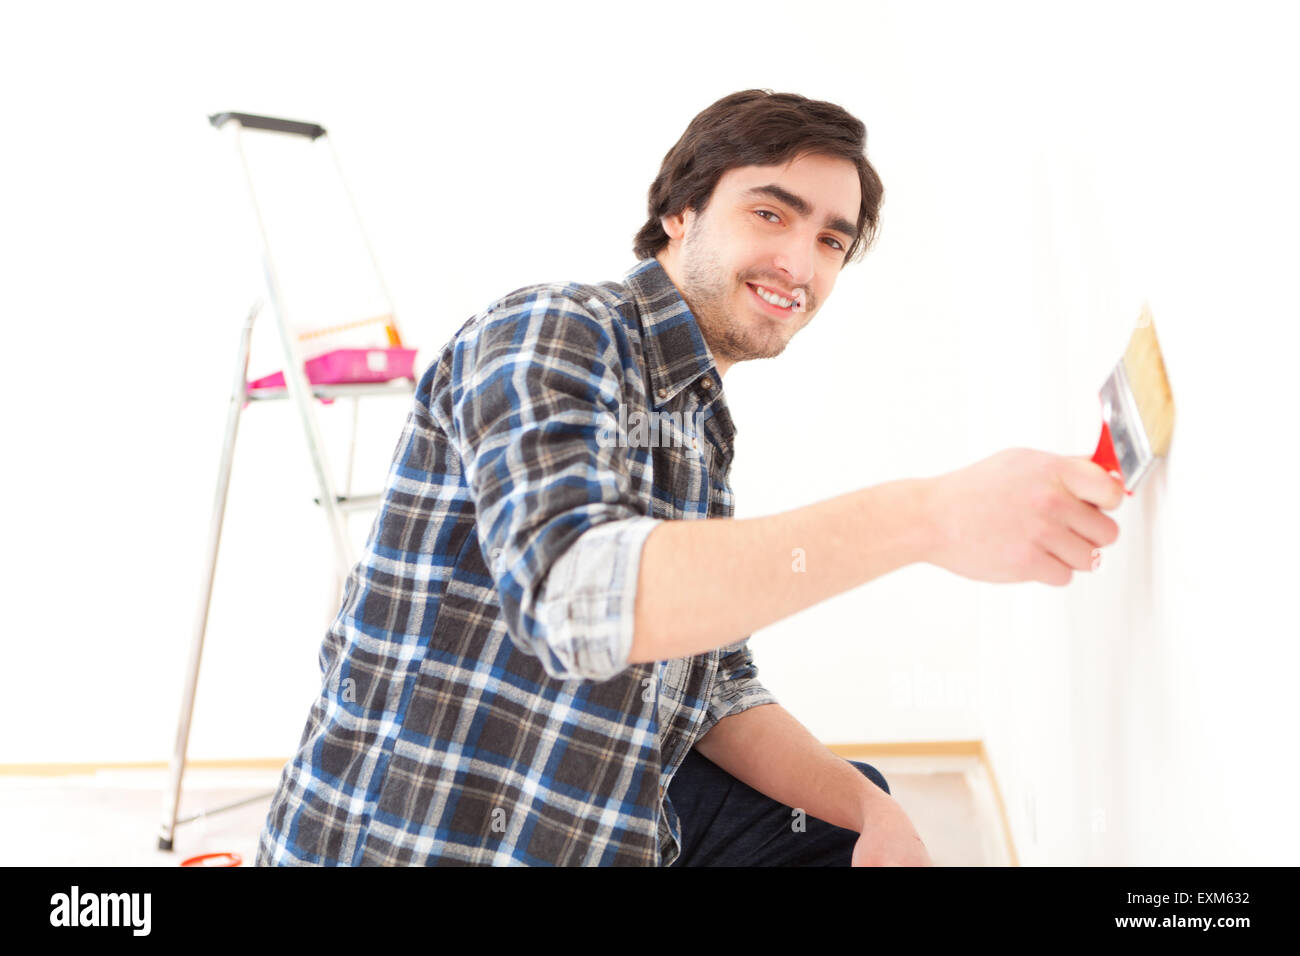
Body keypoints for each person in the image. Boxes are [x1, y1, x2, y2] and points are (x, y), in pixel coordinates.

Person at [256, 89, 1124, 867]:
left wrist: (868, 810)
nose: (802, 263)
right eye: (771, 214)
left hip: (603, 813)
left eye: (831, 239)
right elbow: (579, 596)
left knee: (842, 810)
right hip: (427, 841)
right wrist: (926, 517)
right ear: (680, 211)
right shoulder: (552, 332)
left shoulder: (697, 420)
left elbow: (712, 686)